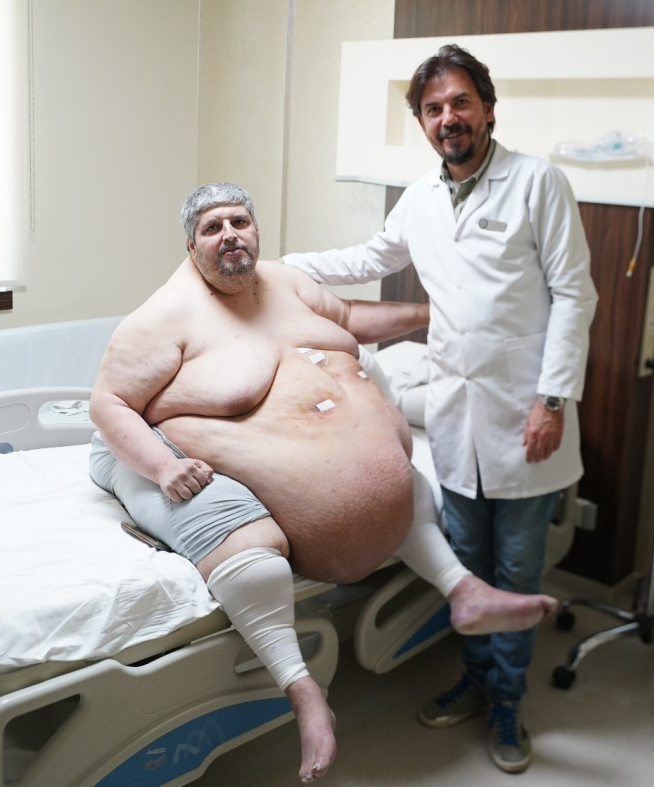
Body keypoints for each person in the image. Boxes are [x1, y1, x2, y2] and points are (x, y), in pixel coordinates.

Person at [89, 182, 557, 783]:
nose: (229, 235)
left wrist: (432, 314)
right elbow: (109, 404)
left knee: (404, 484)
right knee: (254, 558)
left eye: (239, 221)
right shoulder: (164, 317)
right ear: (190, 245)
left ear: (256, 229)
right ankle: (304, 692)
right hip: (173, 457)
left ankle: (463, 590)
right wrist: (161, 467)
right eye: (212, 228)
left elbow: (350, 318)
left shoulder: (284, 283)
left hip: (320, 459)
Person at [282, 45, 598, 774]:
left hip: (528, 415)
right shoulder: (421, 196)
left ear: (487, 109)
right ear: (423, 123)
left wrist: (552, 398)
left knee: (515, 575)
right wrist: (283, 265)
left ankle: (507, 702)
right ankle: (475, 680)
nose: (447, 117)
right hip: (457, 416)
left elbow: (575, 296)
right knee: (470, 569)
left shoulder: (537, 182)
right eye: (433, 109)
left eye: (460, 102)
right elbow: (372, 257)